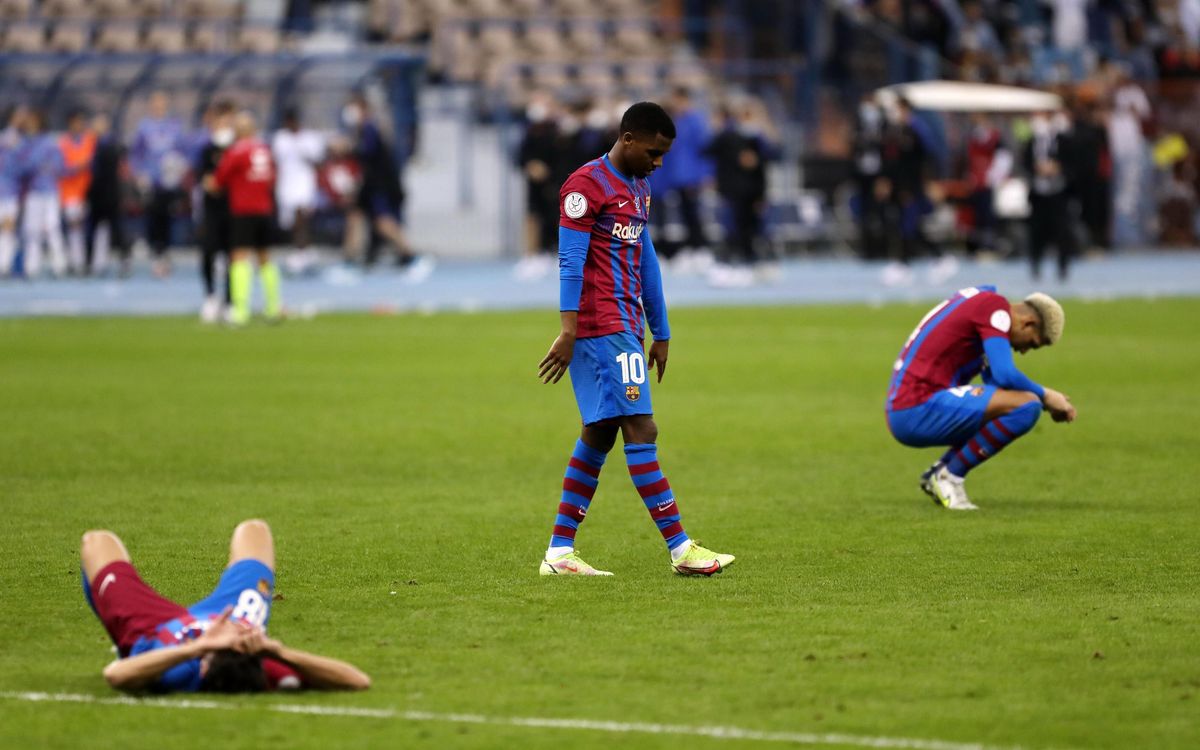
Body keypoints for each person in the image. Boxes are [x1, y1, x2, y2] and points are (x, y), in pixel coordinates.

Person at [536, 101, 735, 577]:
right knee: (641, 429)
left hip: (627, 325)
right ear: (627, 139)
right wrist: (568, 330)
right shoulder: (584, 188)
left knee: (600, 432)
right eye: (653, 151)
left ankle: (560, 552)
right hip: (602, 328)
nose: (659, 162)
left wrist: (661, 330)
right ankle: (682, 549)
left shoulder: (639, 187)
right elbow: (569, 262)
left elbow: (646, 262)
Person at [81, 519, 370, 693]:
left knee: (96, 541)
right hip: (232, 614)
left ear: (203, 668)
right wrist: (277, 650)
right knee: (254, 530)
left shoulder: (177, 671)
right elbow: (357, 680)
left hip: (156, 628)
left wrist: (197, 646)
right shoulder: (266, 665)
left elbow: (115, 675)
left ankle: (122, 641)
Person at [885, 286, 1077, 510]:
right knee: (1027, 406)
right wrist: (1046, 395)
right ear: (1028, 323)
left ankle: (940, 471)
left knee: (1015, 406)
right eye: (1032, 344)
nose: (1024, 351)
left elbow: (997, 384)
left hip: (908, 405)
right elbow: (1006, 375)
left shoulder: (980, 300)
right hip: (916, 406)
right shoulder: (994, 309)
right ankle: (950, 477)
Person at [215, 110, 282, 325]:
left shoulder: (236, 151)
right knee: (264, 258)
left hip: (243, 209)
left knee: (239, 257)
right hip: (263, 208)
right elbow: (272, 178)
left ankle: (240, 309)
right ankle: (273, 306)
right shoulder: (264, 149)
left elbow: (219, 180)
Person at [130, 91, 188, 278]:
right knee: (153, 219)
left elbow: (182, 152)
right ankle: (157, 255)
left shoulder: (174, 127)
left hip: (169, 183)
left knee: (168, 220)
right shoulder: (144, 127)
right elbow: (136, 154)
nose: (159, 107)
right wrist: (140, 174)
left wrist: (179, 169)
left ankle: (165, 256)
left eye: (162, 104)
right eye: (156, 104)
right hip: (152, 182)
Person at [195, 100, 237, 323]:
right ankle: (211, 297)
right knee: (208, 252)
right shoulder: (207, 150)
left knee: (233, 256)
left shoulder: (237, 148)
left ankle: (231, 301)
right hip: (212, 209)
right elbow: (208, 182)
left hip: (234, 208)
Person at [271, 107, 325, 271]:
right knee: (291, 222)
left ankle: (300, 251)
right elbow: (275, 161)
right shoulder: (280, 138)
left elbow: (319, 162)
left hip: (304, 184)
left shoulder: (309, 138)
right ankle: (304, 250)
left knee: (301, 216)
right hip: (286, 184)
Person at [18, 109, 67, 278]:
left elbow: (59, 166)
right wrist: (36, 166)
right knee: (32, 230)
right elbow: (22, 167)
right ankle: (31, 267)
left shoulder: (49, 143)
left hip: (49, 191)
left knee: (52, 228)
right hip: (33, 192)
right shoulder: (24, 143)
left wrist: (48, 168)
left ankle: (59, 266)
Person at [85, 112, 131, 277]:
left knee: (116, 230)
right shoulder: (91, 144)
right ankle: (89, 264)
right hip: (96, 194)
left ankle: (124, 261)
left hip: (110, 194)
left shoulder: (110, 144)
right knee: (91, 231)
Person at [58, 109, 97, 275]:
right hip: (70, 192)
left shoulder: (90, 140)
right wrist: (77, 167)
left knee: (89, 230)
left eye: (81, 122)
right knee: (75, 229)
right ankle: (76, 262)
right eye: (76, 122)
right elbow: (60, 168)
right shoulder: (63, 143)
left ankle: (87, 262)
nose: (79, 125)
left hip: (88, 191)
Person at [0, 105, 26, 277]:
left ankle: (6, 264)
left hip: (11, 190)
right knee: (6, 228)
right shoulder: (12, 138)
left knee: (8, 229)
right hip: (7, 190)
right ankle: (4, 265)